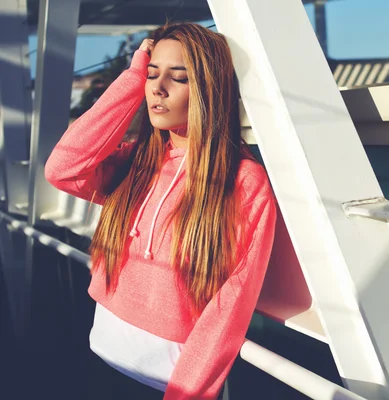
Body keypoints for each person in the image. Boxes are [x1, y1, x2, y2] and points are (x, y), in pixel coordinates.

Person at [45, 22, 277, 400]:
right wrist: (132, 77)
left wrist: (186, 394)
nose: (158, 87)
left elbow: (230, 306)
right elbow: (62, 169)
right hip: (97, 355)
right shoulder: (136, 163)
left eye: (178, 77)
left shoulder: (243, 181)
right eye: (153, 74)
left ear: (208, 89)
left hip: (162, 383)